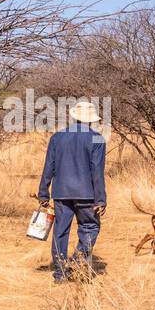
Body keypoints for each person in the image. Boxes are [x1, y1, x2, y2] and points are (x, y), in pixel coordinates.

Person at [37, 100, 107, 283]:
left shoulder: (57, 137)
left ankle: (60, 274)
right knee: (90, 227)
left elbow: (48, 167)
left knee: (60, 231)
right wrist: (101, 199)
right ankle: (76, 262)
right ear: (91, 120)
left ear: (75, 117)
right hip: (87, 194)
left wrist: (43, 193)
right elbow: (97, 171)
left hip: (61, 193)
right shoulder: (97, 138)